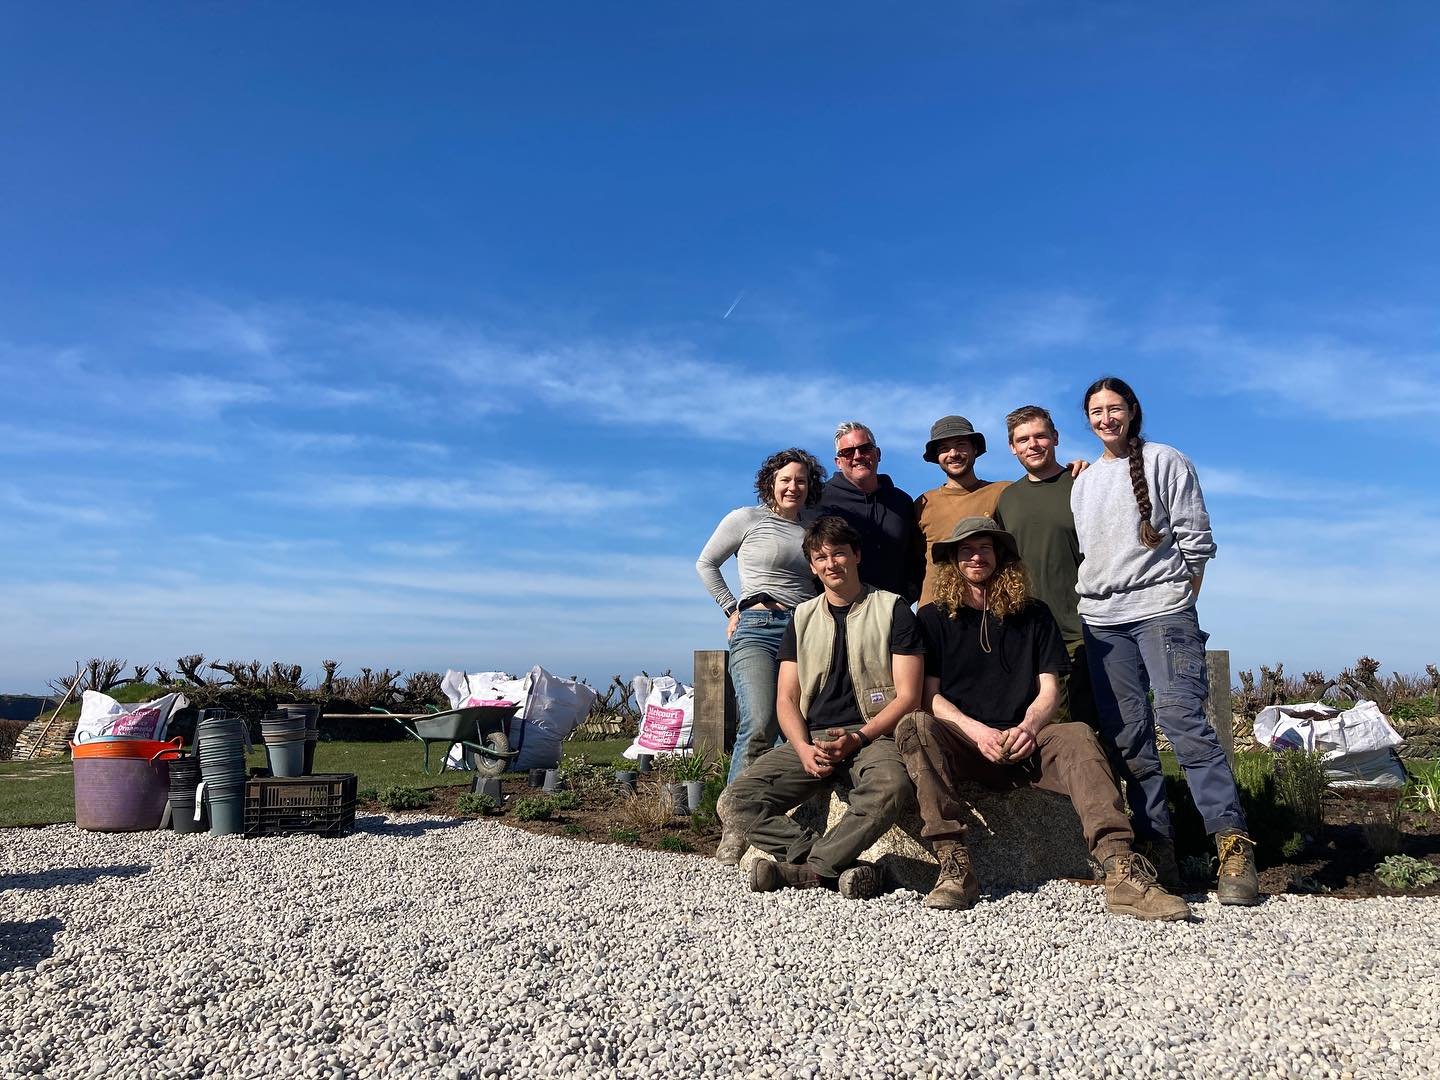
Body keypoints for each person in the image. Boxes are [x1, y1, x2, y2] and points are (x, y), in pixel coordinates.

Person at [895, 517, 1190, 920]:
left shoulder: (1034, 615)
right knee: (914, 725)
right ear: (953, 561)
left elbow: (1048, 688)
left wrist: (1029, 728)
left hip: (1027, 740)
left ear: (1001, 556)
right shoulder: (932, 617)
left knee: (1078, 735)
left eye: (984, 548)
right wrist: (976, 731)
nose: (976, 556)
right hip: (965, 742)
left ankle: (1120, 867)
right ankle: (954, 865)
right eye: (966, 550)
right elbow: (931, 697)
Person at [1071, 376, 1260, 905]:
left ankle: (1233, 846)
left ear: (1132, 410)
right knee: (1129, 738)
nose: (1105, 418)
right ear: (1087, 419)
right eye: (1095, 411)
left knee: (1184, 722)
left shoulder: (1166, 460)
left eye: (1113, 408)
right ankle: (1158, 849)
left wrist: (1181, 598)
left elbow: (1196, 541)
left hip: (1162, 613)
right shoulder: (1083, 483)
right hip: (1103, 621)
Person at [722, 515, 924, 900]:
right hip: (813, 737)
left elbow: (909, 695)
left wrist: (859, 737)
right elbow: (786, 698)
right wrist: (800, 748)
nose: (832, 563)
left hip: (873, 733)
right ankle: (821, 859)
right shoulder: (801, 617)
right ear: (812, 566)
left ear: (856, 555)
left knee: (892, 785)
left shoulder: (893, 608)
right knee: (735, 799)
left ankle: (804, 872)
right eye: (821, 557)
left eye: (839, 553)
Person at [696, 448, 826, 803]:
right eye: (785, 479)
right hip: (758, 626)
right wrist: (730, 607)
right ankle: (735, 818)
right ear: (770, 482)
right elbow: (706, 564)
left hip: (803, 630)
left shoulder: (813, 525)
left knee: (797, 728)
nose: (793, 487)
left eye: (801, 480)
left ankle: (781, 816)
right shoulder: (746, 519)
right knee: (759, 721)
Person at [993, 405, 1098, 729]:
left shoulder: (1083, 483)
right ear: (1012, 447)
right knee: (1044, 729)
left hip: (1082, 627)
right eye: (1023, 439)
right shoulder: (1007, 499)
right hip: (1028, 631)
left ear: (1055, 438)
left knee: (1092, 725)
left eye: (1040, 436)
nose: (1032, 444)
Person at [817, 421, 924, 603]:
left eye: (865, 448)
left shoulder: (902, 502)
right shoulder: (819, 501)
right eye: (848, 452)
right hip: (836, 614)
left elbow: (916, 558)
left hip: (892, 614)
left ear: (878, 454)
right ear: (838, 462)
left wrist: (905, 598)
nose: (858, 456)